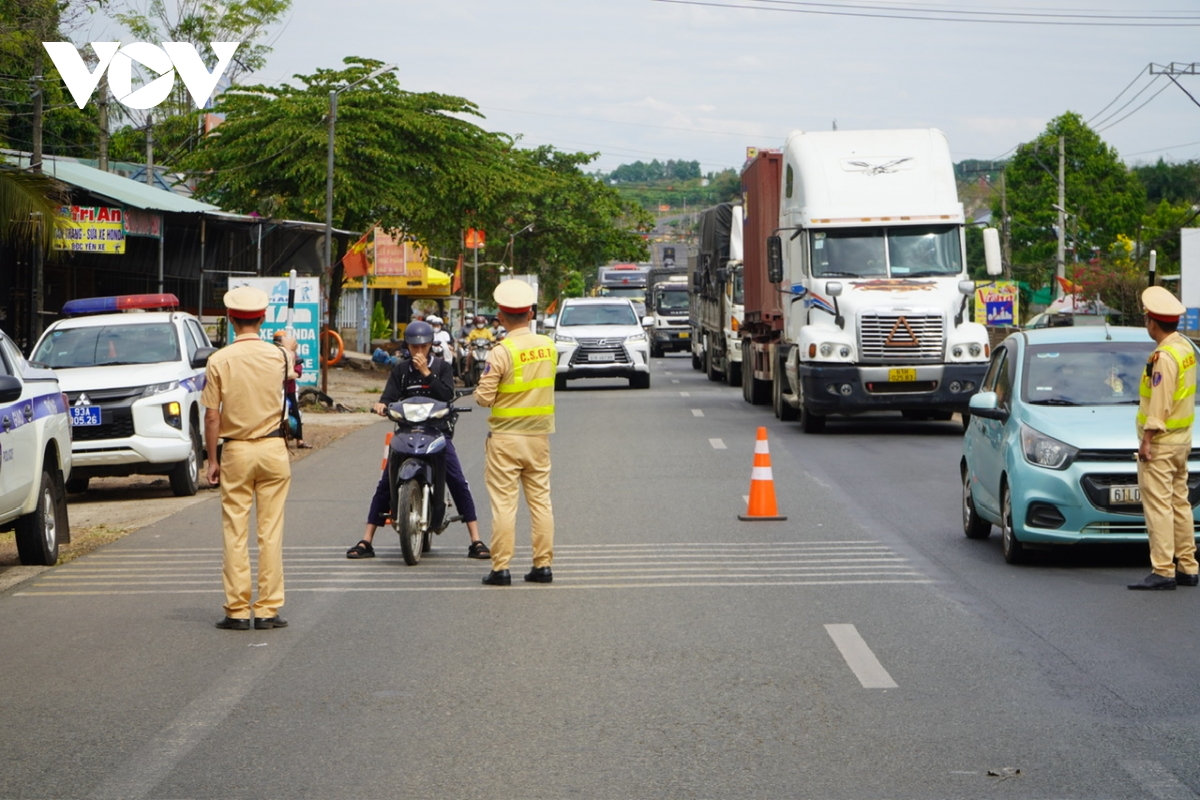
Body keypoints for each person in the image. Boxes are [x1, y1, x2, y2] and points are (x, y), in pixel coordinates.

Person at [346, 320, 490, 560]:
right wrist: (381, 405)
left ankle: (476, 540)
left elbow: (447, 394)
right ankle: (366, 540)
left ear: (430, 345)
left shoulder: (442, 367)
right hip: (406, 432)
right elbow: (388, 397)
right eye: (414, 347)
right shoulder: (400, 371)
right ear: (407, 346)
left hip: (437, 432)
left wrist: (426, 373)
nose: (419, 351)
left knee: (456, 479)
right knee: (385, 483)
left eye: (423, 346)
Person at [202, 286, 292, 630]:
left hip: (236, 449)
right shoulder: (279, 356)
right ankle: (268, 609)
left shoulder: (218, 360)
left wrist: (213, 460)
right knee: (270, 531)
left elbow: (212, 416)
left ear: (229, 319)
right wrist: (288, 348)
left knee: (234, 531)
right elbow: (288, 375)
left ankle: (237, 610)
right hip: (272, 449)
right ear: (263, 318)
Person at [474, 281, 556, 586]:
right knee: (541, 502)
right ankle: (543, 566)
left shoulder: (500, 352)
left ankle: (501, 568)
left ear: (501, 316)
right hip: (538, 438)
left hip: (506, 440)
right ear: (531, 313)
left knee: (505, 505)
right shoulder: (548, 347)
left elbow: (484, 397)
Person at [1129, 285, 1199, 591]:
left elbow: (1160, 402)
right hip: (1181, 440)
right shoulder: (1185, 348)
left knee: (1159, 506)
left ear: (1152, 323)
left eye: (1146, 319)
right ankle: (1188, 566)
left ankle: (1163, 570)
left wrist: (1147, 440)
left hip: (1161, 442)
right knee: (1179, 503)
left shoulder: (1164, 357)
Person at [273, 331, 310, 449]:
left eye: (281, 341)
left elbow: (296, 372)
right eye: (277, 341)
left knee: (295, 411)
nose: (279, 344)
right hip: (275, 389)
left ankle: (300, 440)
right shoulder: (272, 355)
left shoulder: (294, 355)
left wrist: (291, 371)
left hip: (289, 389)